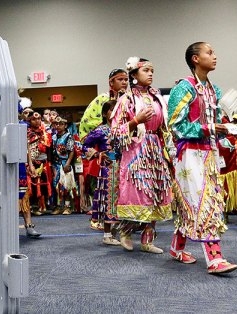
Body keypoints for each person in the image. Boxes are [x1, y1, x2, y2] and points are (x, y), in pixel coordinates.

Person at [167, 42, 237, 273]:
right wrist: (207, 129)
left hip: (210, 152)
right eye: (210, 52)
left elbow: (214, 122)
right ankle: (215, 258)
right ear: (195, 59)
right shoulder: (184, 88)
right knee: (204, 201)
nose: (215, 56)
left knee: (196, 201)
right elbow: (175, 126)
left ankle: (177, 248)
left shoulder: (213, 90)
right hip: (189, 154)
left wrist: (225, 134)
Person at [111, 56, 173, 254]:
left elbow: (165, 128)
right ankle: (126, 232)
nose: (151, 74)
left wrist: (170, 150)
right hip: (135, 150)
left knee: (155, 192)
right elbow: (114, 133)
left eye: (152, 70)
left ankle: (147, 240)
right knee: (135, 192)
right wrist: (135, 121)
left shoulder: (158, 99)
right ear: (134, 75)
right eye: (146, 70)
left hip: (155, 149)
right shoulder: (126, 100)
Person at [83, 100, 121, 245]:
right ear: (105, 114)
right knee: (108, 200)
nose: (115, 112)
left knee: (121, 201)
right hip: (108, 170)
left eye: (117, 109)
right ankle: (107, 235)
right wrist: (99, 154)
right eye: (112, 110)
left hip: (124, 168)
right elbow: (85, 145)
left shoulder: (124, 129)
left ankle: (118, 233)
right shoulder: (100, 130)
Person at [17, 98, 41, 238]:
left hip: (19, 165)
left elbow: (25, 147)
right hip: (3, 164)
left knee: (23, 196)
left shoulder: (21, 125)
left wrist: (30, 164)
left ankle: (29, 225)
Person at [27, 112, 53, 216]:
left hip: (44, 162)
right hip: (32, 162)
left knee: (43, 184)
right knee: (33, 185)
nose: (37, 121)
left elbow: (49, 149)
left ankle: (42, 206)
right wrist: (29, 164)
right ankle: (33, 207)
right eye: (34, 119)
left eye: (38, 119)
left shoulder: (45, 133)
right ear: (30, 121)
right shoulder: (27, 133)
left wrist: (50, 163)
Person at [51, 116, 76, 215]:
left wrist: (68, 163)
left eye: (61, 124)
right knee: (56, 185)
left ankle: (67, 207)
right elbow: (51, 152)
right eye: (56, 124)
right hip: (55, 164)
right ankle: (58, 206)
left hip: (65, 163)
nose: (58, 126)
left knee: (66, 186)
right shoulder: (53, 137)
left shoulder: (69, 136)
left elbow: (71, 151)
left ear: (65, 125)